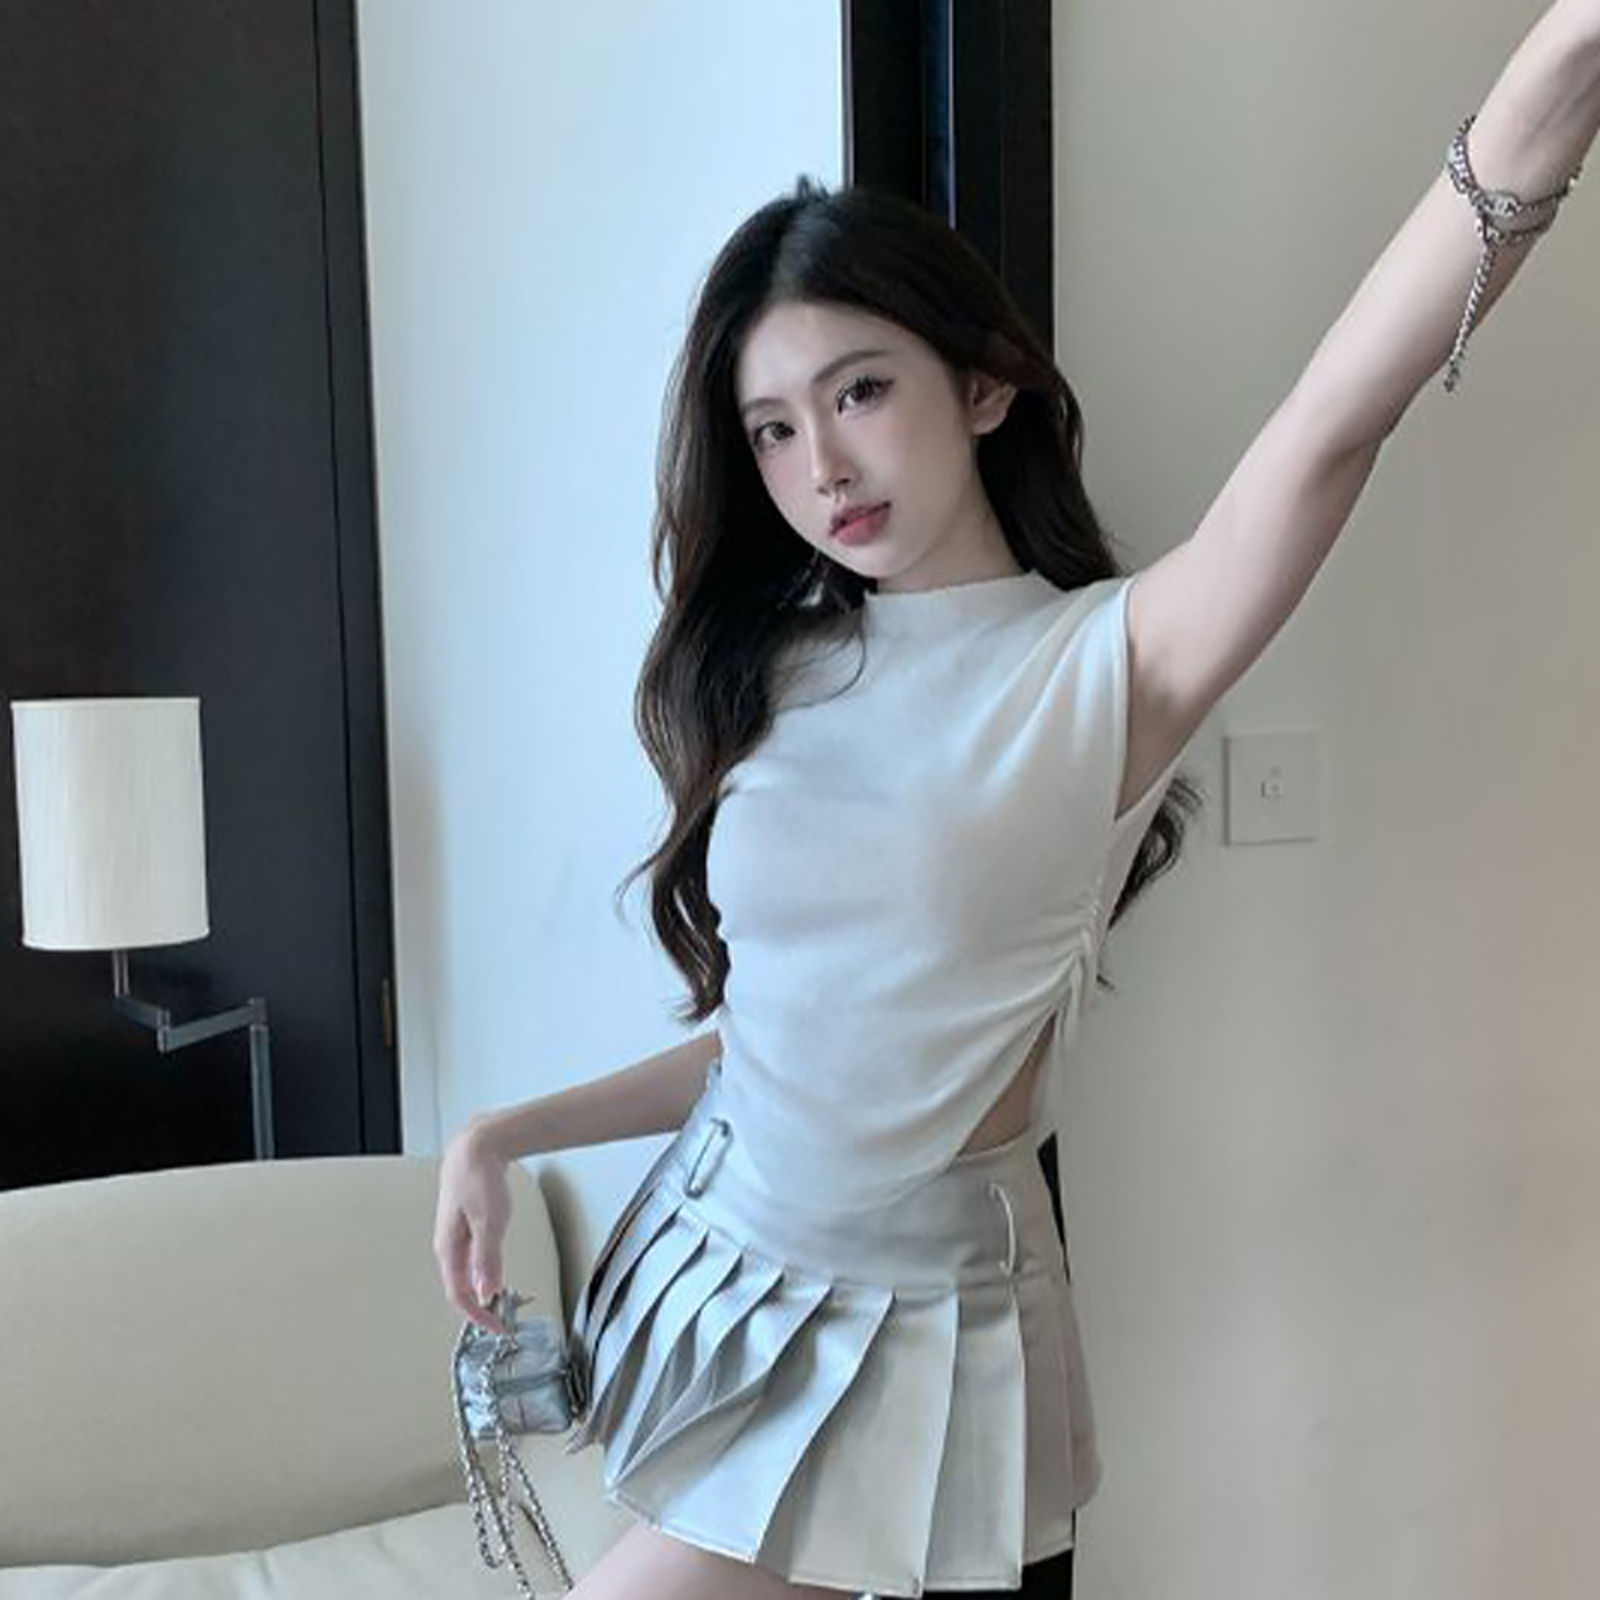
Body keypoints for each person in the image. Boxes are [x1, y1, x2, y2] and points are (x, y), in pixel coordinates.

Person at [434, 6, 1598, 1594]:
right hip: (709, 1248)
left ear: (983, 386)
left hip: (896, 1321)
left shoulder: (1106, 669)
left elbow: (1338, 420)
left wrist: (1565, 54)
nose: (822, 465)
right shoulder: (776, 667)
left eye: (860, 391)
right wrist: (508, 1131)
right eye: (773, 429)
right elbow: (788, 1036)